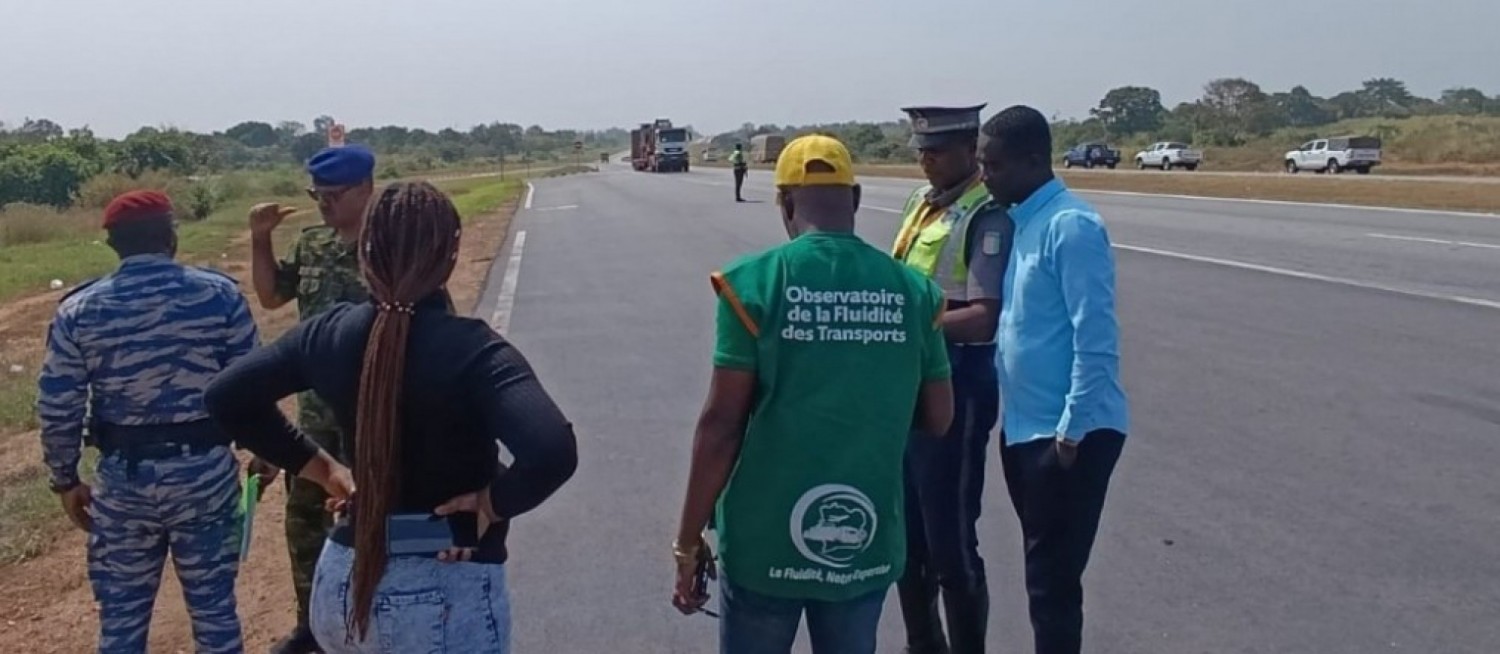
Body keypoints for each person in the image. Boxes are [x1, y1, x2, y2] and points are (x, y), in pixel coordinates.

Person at [206, 181, 579, 653]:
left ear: (365, 250)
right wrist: (493, 502)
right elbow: (551, 451)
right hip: (441, 592)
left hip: (341, 583)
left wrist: (325, 470)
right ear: (451, 254)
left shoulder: (326, 333)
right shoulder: (474, 349)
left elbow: (226, 396)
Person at [671, 134, 955, 654]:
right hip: (864, 539)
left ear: (784, 202)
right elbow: (939, 418)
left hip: (764, 541)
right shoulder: (916, 293)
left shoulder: (751, 284)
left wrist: (688, 543)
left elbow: (721, 425)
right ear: (857, 197)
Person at [35, 190, 257, 653]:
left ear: (114, 244)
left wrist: (65, 480)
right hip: (205, 477)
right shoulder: (219, 295)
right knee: (215, 613)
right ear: (171, 237)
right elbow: (254, 384)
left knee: (120, 623)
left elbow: (59, 405)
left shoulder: (80, 311)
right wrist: (267, 452)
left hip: (124, 482)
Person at [977, 105, 1130, 654]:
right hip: (1025, 431)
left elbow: (1096, 338)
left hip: (1067, 436)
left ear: (1034, 161)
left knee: (1053, 585)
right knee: (1044, 576)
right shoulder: (1024, 221)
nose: (984, 175)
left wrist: (1071, 433)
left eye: (993, 165)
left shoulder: (1072, 225)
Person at [890, 105, 1011, 654]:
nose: (924, 159)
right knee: (905, 539)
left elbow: (985, 316)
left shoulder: (986, 214)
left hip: (959, 385)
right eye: (920, 149)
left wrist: (912, 327)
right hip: (909, 384)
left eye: (935, 150)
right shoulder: (923, 203)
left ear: (970, 151)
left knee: (950, 542)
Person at [248, 144, 376, 654]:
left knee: (376, 528)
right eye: (315, 195)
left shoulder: (391, 245)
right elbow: (272, 296)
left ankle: (373, 625)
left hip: (374, 420)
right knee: (306, 531)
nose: (323, 204)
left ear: (366, 189)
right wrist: (260, 239)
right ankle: (316, 629)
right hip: (316, 423)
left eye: (333, 195)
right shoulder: (314, 244)